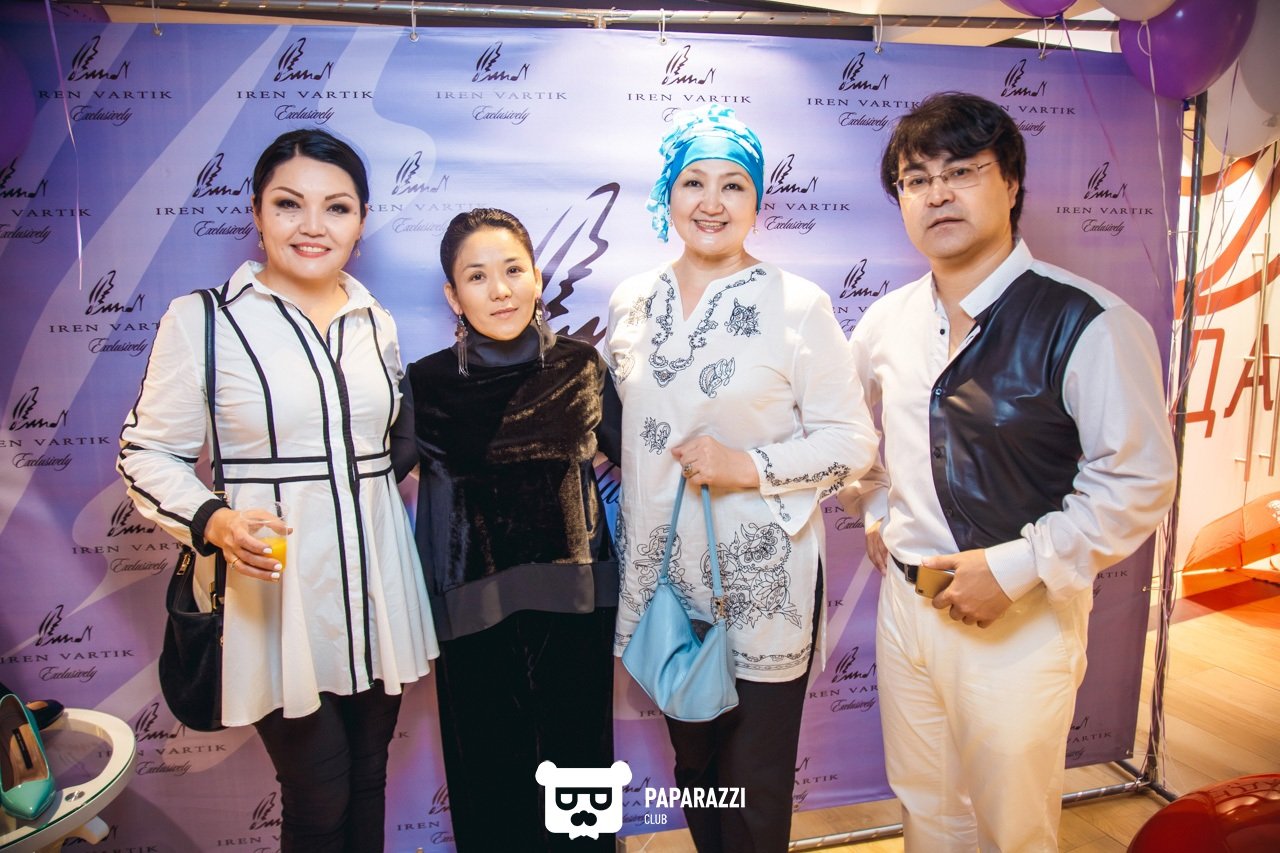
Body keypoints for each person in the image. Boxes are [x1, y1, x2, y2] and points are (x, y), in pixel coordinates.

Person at [840, 92, 1177, 851]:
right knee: (927, 809)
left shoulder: (1088, 320)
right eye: (916, 179)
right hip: (906, 605)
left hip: (1020, 618)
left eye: (962, 170)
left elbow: (1139, 479)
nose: (938, 194)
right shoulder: (887, 321)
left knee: (1011, 828)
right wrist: (876, 506)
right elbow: (851, 435)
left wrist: (1017, 566)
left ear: (1011, 182)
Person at [118, 128, 438, 853]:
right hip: (275, 596)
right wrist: (216, 520)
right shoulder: (204, 320)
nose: (313, 225)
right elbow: (147, 452)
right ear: (257, 213)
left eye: (338, 207)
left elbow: (387, 447)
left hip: (377, 590)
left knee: (368, 778)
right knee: (319, 795)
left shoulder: (376, 322)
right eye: (290, 204)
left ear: (362, 221)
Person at [606, 106, 878, 852]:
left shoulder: (799, 305)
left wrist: (746, 466)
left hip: (762, 584)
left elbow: (854, 443)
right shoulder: (632, 300)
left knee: (753, 781)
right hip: (664, 580)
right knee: (697, 768)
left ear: (758, 200)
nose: (712, 202)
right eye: (693, 182)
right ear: (668, 195)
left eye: (733, 185)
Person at [392, 208, 620, 851]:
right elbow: (369, 483)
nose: (500, 290)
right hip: (472, 618)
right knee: (490, 792)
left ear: (537, 277)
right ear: (453, 296)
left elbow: (648, 460)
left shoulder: (582, 367)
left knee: (580, 791)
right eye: (477, 276)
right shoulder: (427, 384)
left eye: (514, 270)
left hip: (577, 609)